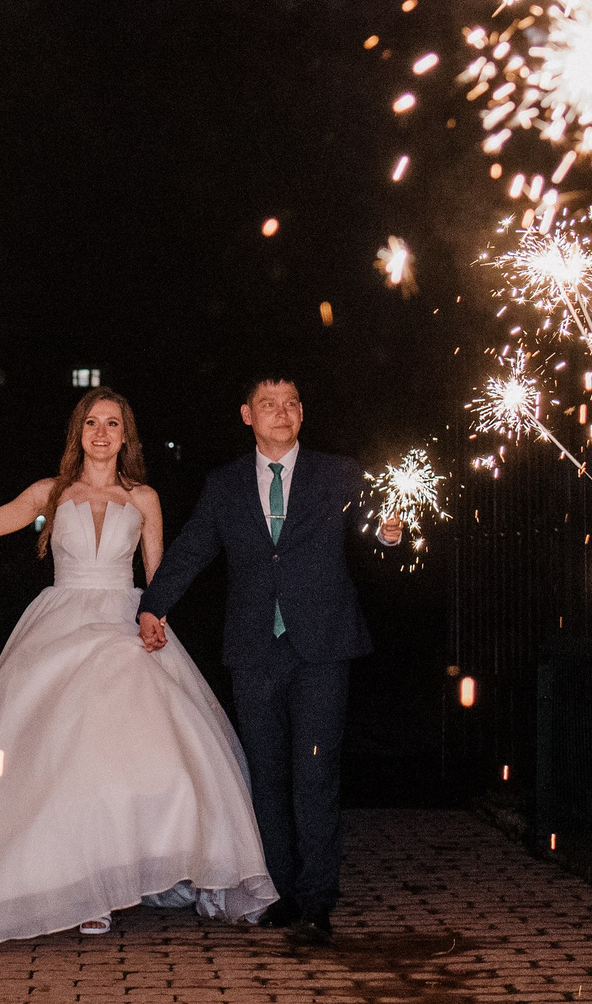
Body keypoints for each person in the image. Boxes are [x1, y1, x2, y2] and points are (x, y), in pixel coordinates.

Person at [0, 389, 275, 942]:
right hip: (61, 621)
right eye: (92, 423)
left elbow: (159, 574)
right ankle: (77, 892)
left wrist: (156, 618)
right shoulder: (50, 492)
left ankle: (133, 870)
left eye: (113, 424)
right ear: (79, 432)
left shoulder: (145, 497)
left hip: (125, 622)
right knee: (58, 761)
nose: (101, 433)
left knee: (145, 760)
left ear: (126, 436)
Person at [135, 377, 402, 947]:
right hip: (255, 648)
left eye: (290, 405)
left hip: (324, 645)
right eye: (267, 405)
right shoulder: (226, 484)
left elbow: (376, 525)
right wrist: (153, 606)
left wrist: (387, 534)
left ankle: (316, 901)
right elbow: (192, 548)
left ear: (302, 412)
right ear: (247, 415)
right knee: (267, 774)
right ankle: (279, 894)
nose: (280, 414)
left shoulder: (338, 474)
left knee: (316, 773)